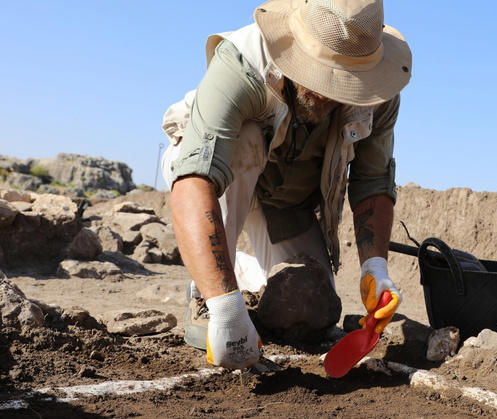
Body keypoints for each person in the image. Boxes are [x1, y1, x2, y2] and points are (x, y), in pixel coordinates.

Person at [160, 0, 411, 369]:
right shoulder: (244, 63)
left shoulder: (378, 91)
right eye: (326, 76)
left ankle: (241, 274)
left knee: (310, 307)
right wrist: (226, 308)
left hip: (285, 203)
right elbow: (195, 181)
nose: (331, 92)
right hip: (223, 179)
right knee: (245, 141)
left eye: (346, 82)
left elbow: (372, 181)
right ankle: (208, 294)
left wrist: (376, 268)